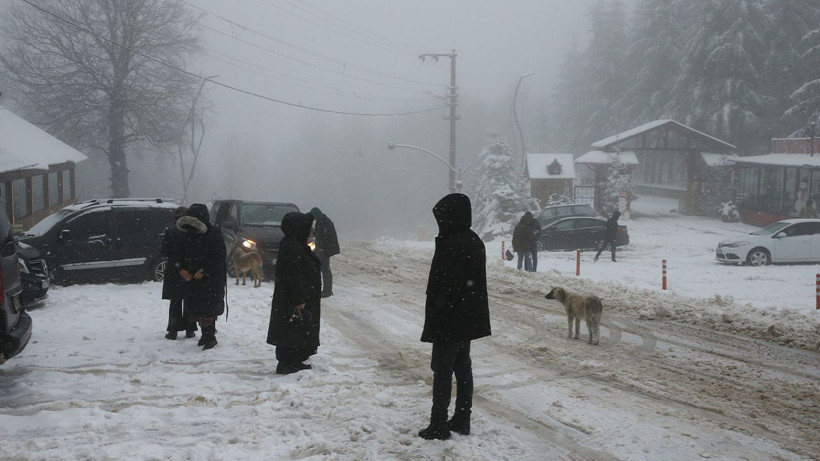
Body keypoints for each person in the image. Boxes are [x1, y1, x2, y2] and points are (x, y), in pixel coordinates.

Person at [418, 193, 491, 440]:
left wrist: (438, 315)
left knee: (442, 370)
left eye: (442, 216)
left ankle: (438, 424)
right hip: (466, 319)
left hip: (449, 319)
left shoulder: (452, 243)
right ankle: (461, 419)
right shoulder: (473, 240)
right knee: (462, 368)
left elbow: (446, 287)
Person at [267, 211, 322, 375]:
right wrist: (299, 298)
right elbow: (293, 276)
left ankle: (295, 360)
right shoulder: (292, 247)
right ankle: (287, 362)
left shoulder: (295, 243)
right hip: (292, 299)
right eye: (307, 228)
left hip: (294, 297)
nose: (309, 232)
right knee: (291, 330)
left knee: (296, 329)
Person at [174, 203, 227, 350]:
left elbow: (219, 257)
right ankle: (205, 335)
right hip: (192, 278)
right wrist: (181, 269)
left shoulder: (214, 233)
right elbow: (177, 253)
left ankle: (210, 336)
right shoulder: (186, 232)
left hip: (211, 279)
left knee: (208, 308)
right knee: (197, 308)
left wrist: (204, 271)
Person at [161, 206, 197, 340]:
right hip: (189, 269)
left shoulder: (171, 231)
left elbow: (165, 251)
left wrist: (175, 261)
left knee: (175, 301)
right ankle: (190, 328)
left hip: (174, 270)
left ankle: (173, 330)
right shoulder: (193, 231)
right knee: (189, 300)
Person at [309, 207, 340, 298]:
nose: (314, 218)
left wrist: (324, 248)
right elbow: (319, 235)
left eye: (314, 216)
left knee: (325, 270)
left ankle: (327, 290)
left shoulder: (325, 223)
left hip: (324, 250)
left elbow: (328, 237)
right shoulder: (321, 222)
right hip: (320, 249)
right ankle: (323, 289)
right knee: (322, 269)